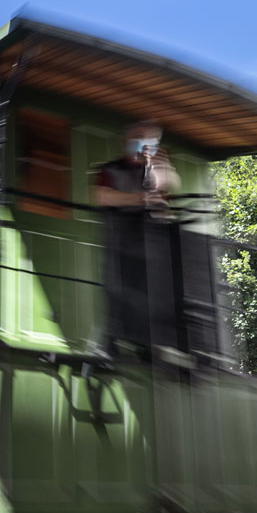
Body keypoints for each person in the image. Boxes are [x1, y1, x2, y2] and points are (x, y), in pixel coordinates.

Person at [92, 122, 181, 354]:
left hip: (150, 250)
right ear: (126, 140)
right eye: (138, 137)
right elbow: (103, 196)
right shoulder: (110, 169)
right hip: (119, 242)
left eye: (149, 139)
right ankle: (111, 343)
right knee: (116, 292)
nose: (143, 143)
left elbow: (165, 190)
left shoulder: (155, 168)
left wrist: (158, 164)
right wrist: (142, 199)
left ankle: (146, 347)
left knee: (149, 296)